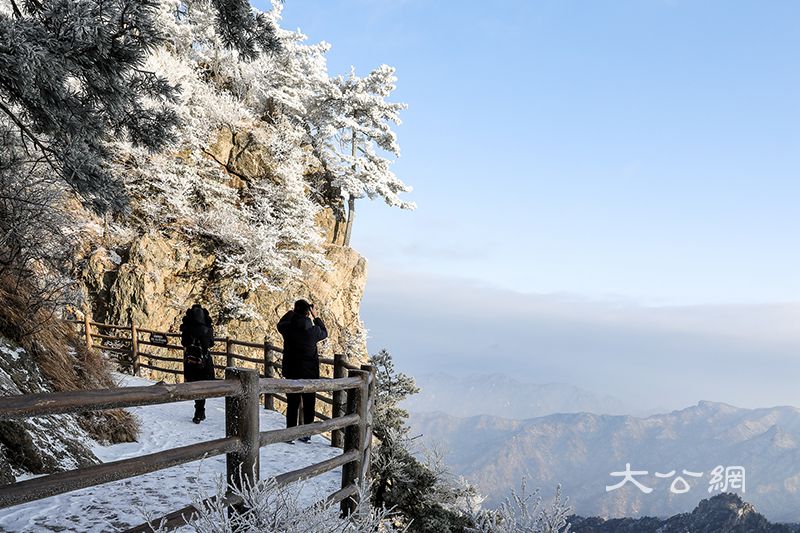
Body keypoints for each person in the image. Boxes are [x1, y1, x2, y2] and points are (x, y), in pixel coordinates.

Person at [277, 299, 328, 442]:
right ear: (308, 313)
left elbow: (280, 324)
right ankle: (306, 434)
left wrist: (292, 312)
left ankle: (290, 434)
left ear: (295, 311)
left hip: (292, 371)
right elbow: (325, 332)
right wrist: (315, 316)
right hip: (309, 373)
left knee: (292, 403)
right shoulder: (313, 331)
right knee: (309, 403)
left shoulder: (288, 329)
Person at [180, 304, 215, 424]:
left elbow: (184, 343)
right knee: (203, 385)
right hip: (204, 360)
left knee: (194, 384)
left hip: (191, 360)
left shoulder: (188, 326)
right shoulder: (207, 327)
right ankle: (200, 411)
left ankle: (198, 411)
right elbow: (211, 344)